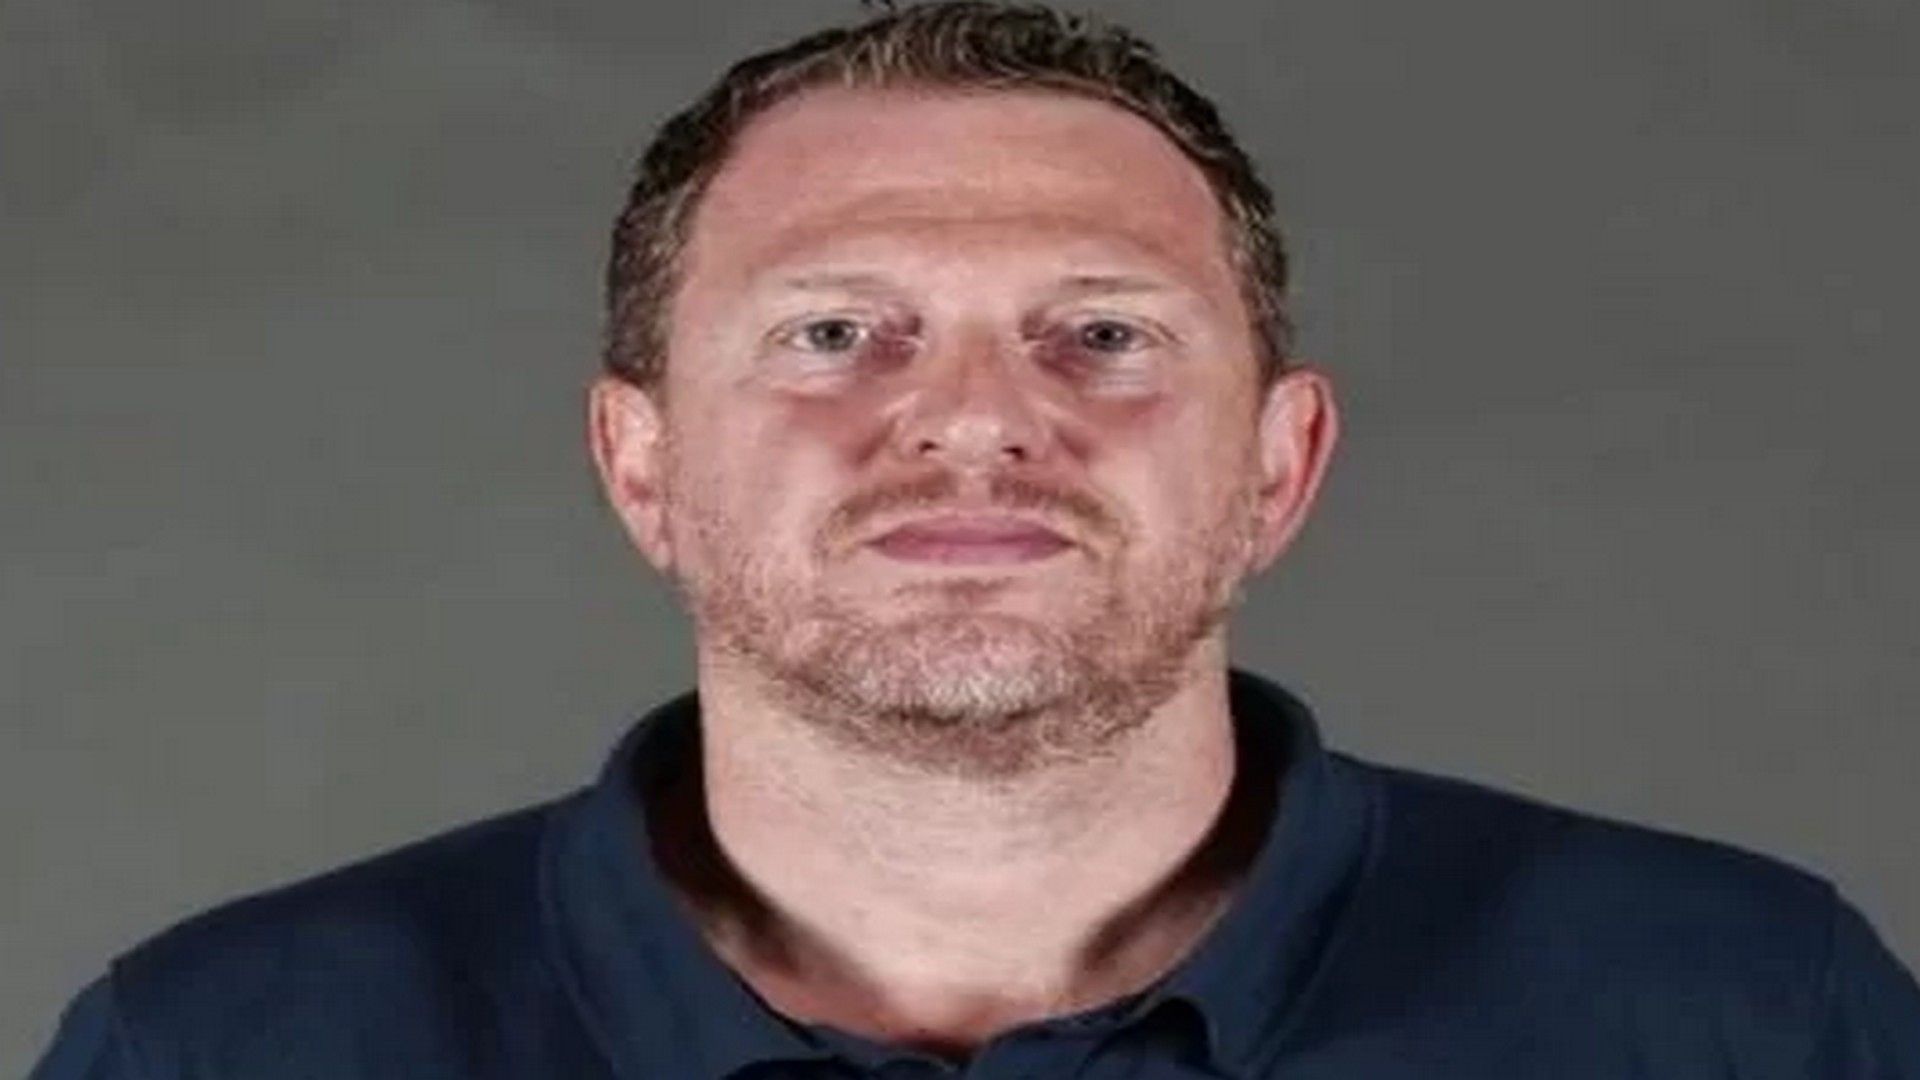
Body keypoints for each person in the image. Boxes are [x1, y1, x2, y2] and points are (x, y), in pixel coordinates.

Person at [31, 3, 1920, 1077]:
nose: (971, 418)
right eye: (832, 333)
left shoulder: (1746, 1014)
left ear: (1279, 463)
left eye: (1102, 332)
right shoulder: (228, 1048)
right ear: (642, 464)